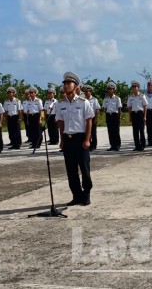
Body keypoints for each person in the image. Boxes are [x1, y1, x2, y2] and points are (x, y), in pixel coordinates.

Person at [56, 72, 94, 206]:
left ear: (76, 86)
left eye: (69, 83)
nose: (66, 86)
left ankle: (86, 194)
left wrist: (87, 139)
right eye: (65, 83)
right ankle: (76, 195)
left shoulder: (84, 102)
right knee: (71, 170)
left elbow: (89, 120)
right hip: (68, 139)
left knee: (84, 169)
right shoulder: (60, 104)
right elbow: (60, 122)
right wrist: (62, 139)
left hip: (80, 139)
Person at [127, 80, 148, 151]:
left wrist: (145, 116)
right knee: (135, 131)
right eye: (133, 87)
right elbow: (129, 107)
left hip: (140, 114)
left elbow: (145, 106)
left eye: (136, 87)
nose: (134, 88)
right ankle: (137, 145)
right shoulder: (130, 97)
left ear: (138, 88)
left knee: (141, 130)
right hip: (134, 114)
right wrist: (130, 116)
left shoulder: (142, 96)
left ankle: (142, 145)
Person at [103, 82, 122, 151]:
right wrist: (106, 117)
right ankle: (112, 145)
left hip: (115, 115)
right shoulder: (106, 99)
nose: (110, 90)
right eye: (109, 89)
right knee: (110, 131)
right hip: (109, 115)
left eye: (111, 89)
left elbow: (119, 108)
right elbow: (105, 109)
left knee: (116, 131)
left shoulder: (117, 98)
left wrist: (119, 117)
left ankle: (117, 145)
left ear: (114, 90)